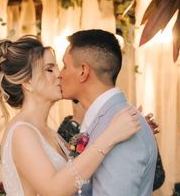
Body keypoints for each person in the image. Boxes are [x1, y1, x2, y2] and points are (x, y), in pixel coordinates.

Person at [0, 36, 142, 196]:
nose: (59, 75)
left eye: (58, 68)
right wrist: (112, 135)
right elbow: (54, 189)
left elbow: (79, 176)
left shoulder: (50, 133)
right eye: (49, 69)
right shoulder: (22, 132)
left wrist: (128, 130)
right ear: (27, 82)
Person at [60, 29, 158, 195]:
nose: (59, 75)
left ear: (83, 72)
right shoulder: (107, 118)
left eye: (64, 66)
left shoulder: (122, 129)